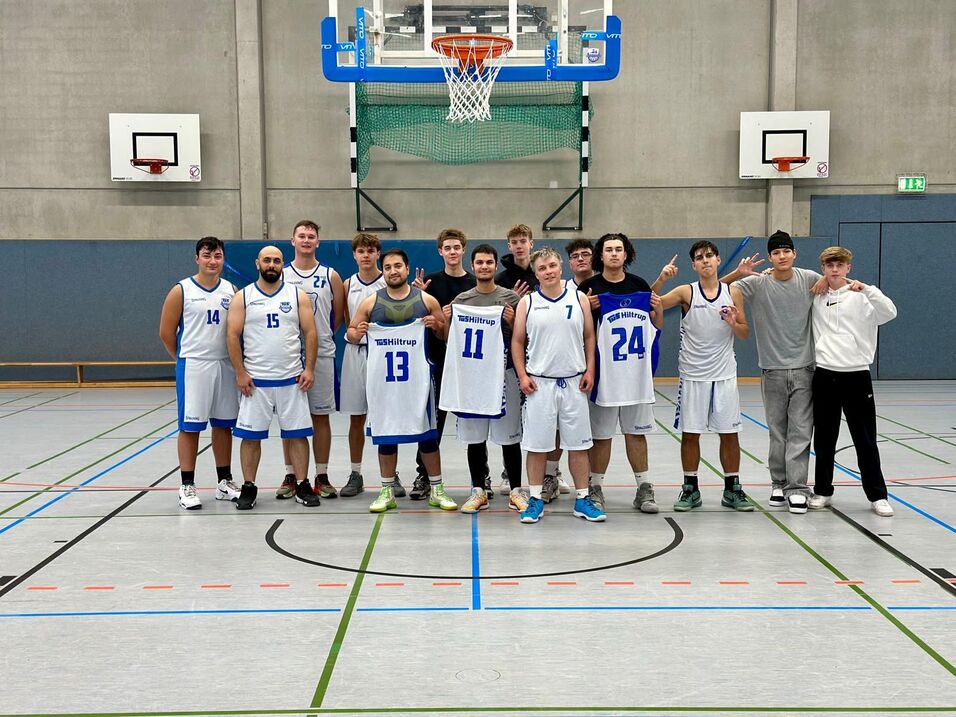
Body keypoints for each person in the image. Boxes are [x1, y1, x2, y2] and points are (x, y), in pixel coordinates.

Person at [348, 248, 457, 513]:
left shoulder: (426, 300)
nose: (393, 271)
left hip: (419, 382)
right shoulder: (371, 303)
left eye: (398, 266)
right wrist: (357, 331)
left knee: (428, 437)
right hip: (384, 384)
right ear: (383, 272)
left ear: (407, 269)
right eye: (388, 267)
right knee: (387, 436)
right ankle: (387, 490)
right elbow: (351, 333)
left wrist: (438, 325)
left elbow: (446, 336)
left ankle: (437, 489)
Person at [657, 241, 753, 512]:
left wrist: (734, 323)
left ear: (718, 259)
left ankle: (732, 488)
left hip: (724, 375)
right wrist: (662, 278)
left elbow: (745, 333)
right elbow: (654, 303)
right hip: (693, 376)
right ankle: (690, 488)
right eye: (699, 258)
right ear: (694, 265)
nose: (705, 260)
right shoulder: (685, 292)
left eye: (710, 256)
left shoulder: (733, 292)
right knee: (690, 434)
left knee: (730, 433)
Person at [511, 247, 603, 523]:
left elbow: (589, 336)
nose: (548, 271)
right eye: (542, 268)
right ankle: (536, 499)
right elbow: (517, 341)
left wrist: (591, 369)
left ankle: (582, 499)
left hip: (574, 382)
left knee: (578, 445)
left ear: (560, 267)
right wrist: (522, 376)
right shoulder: (527, 303)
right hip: (540, 384)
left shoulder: (579, 299)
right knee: (538, 446)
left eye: (552, 266)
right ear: (535, 273)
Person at [733, 230, 821, 514]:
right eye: (776, 252)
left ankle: (797, 487)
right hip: (772, 370)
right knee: (777, 431)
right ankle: (778, 484)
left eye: (786, 251)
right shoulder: (757, 284)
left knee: (801, 430)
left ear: (794, 254)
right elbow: (718, 289)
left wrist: (855, 285)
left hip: (805, 368)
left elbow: (836, 282)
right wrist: (737, 273)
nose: (782, 256)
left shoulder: (808, 279)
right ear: (770, 257)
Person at [226, 245, 321, 510]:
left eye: (277, 261)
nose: (272, 264)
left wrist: (309, 368)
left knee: (298, 435)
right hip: (256, 382)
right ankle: (249, 486)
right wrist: (240, 372)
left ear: (282, 265)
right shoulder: (243, 297)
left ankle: (302, 484)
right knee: (251, 437)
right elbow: (232, 335)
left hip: (292, 379)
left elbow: (310, 333)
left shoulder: (297, 295)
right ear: (258, 263)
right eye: (267, 260)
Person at [808, 246, 897, 517]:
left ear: (848, 267)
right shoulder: (816, 294)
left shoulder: (863, 296)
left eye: (840, 264)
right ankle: (823, 491)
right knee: (824, 439)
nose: (835, 269)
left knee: (865, 439)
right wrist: (821, 283)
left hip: (857, 375)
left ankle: (878, 495)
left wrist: (868, 290)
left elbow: (890, 312)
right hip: (824, 374)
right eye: (829, 265)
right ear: (823, 268)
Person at [578, 233, 664, 512]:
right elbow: (579, 331)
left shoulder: (639, 286)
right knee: (601, 435)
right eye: (608, 250)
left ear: (626, 254)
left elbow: (656, 326)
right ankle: (595, 487)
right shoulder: (588, 287)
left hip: (635, 375)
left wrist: (659, 310)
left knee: (636, 433)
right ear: (599, 256)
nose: (614, 254)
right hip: (604, 376)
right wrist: (585, 309)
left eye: (619, 249)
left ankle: (644, 487)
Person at [159, 236, 241, 510]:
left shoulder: (231, 290)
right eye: (207, 256)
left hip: (225, 365)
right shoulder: (181, 290)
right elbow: (166, 333)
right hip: (194, 365)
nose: (212, 261)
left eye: (217, 256)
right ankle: (187, 485)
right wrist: (184, 359)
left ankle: (224, 482)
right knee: (190, 426)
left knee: (223, 424)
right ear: (197, 258)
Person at [442, 244, 526, 513]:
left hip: (505, 374)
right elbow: (448, 339)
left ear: (494, 266)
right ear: (473, 265)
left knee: (510, 436)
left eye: (489, 262)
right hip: (473, 376)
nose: (485, 267)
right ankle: (478, 490)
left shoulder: (512, 299)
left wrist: (513, 323)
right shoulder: (462, 301)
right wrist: (445, 321)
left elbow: (524, 338)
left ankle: (515, 490)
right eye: (479, 263)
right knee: (475, 436)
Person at [276, 220, 345, 501]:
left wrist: (319, 343)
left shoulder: (330, 275)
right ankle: (291, 474)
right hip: (288, 357)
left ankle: (322, 474)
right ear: (292, 241)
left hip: (323, 355)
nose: (306, 240)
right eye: (301, 236)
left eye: (311, 236)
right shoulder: (280, 275)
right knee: (288, 418)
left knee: (320, 417)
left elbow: (337, 316)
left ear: (318, 242)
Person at [410, 229, 477, 500]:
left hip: (468, 364)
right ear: (440, 251)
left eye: (456, 247)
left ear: (463, 250)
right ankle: (424, 476)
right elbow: (416, 322)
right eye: (447, 247)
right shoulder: (429, 284)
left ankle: (480, 476)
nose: (452, 251)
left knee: (475, 423)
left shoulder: (476, 283)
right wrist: (417, 299)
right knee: (432, 422)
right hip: (436, 361)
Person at [337, 233, 387, 498]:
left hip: (384, 354)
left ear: (378, 253)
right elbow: (347, 321)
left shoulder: (388, 281)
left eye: (371, 250)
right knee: (357, 417)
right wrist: (352, 335)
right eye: (361, 251)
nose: (366, 255)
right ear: (354, 255)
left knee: (385, 417)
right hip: (356, 353)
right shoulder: (346, 285)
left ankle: (390, 476)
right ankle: (355, 473)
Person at [495, 224, 538, 297]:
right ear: (509, 246)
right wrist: (511, 299)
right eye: (514, 242)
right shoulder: (499, 280)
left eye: (523, 241)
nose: (519, 246)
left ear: (531, 244)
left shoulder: (542, 275)